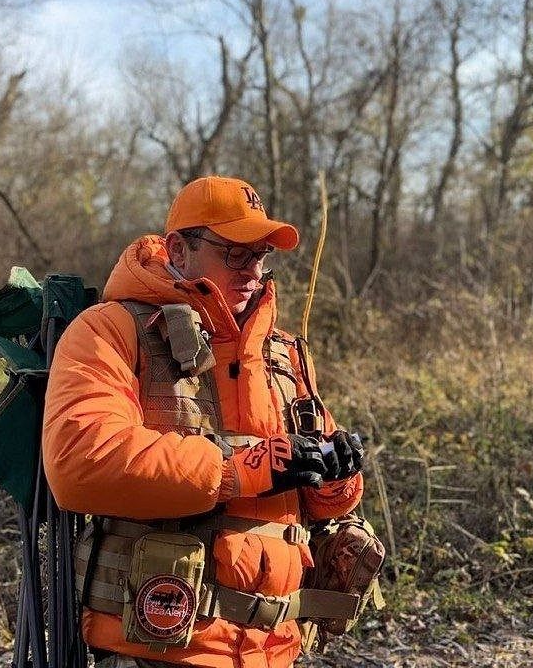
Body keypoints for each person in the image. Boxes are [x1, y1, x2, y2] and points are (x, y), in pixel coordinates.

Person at [42, 176, 365, 668]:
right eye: (235, 253)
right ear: (179, 249)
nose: (253, 271)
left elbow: (321, 506)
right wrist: (240, 469)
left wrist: (335, 478)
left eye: (261, 255)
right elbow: (81, 461)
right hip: (156, 648)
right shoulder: (111, 329)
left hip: (274, 652)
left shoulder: (283, 353)